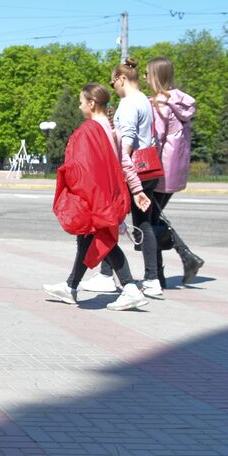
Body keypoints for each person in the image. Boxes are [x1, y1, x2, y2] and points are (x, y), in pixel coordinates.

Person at [44, 83, 152, 311]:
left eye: (81, 101)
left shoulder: (91, 129)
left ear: (91, 103)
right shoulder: (114, 129)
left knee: (103, 240)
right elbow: (125, 163)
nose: (80, 105)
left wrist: (72, 186)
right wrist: (137, 190)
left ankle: (130, 288)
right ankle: (70, 286)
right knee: (89, 239)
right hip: (110, 194)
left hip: (95, 196)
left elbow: (82, 167)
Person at [79, 59, 164, 298]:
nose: (112, 86)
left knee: (109, 221)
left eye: (112, 81)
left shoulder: (128, 104)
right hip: (149, 169)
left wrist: (114, 170)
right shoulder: (147, 102)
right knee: (144, 223)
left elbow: (126, 142)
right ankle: (152, 279)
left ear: (122, 78)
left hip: (131, 170)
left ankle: (107, 276)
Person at [146, 56, 206, 285]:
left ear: (155, 76)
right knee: (153, 218)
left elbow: (156, 141)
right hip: (176, 169)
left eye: (146, 73)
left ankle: (175, 263)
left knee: (149, 222)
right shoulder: (180, 102)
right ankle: (172, 266)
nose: (144, 77)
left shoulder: (160, 105)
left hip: (160, 169)